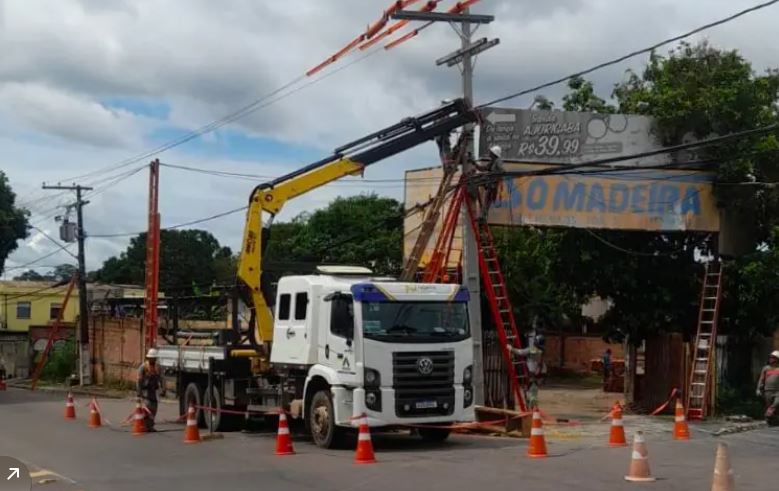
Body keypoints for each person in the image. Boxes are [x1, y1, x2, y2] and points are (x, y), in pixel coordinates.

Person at [507, 334, 547, 409]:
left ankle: (532, 410)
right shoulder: (542, 352)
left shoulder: (531, 350)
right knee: (533, 392)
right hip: (540, 375)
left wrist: (511, 348)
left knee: (531, 393)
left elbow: (520, 352)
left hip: (531, 374)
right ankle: (532, 408)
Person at [474, 145, 505, 222]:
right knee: (486, 201)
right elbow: (483, 168)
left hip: (493, 185)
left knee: (487, 201)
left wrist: (492, 174)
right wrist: (474, 164)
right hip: (489, 183)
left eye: (490, 152)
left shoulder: (498, 161)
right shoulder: (492, 162)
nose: (489, 153)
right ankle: (482, 216)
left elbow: (502, 171)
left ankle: (483, 217)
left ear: (494, 154)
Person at [137, 348, 165, 431]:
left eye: (154, 358)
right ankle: (145, 425)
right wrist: (139, 392)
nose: (153, 360)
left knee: (154, 408)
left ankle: (150, 425)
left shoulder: (158, 367)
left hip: (154, 391)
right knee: (147, 407)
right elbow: (139, 380)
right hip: (146, 391)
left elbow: (162, 378)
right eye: (152, 358)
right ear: (148, 358)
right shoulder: (143, 367)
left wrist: (163, 388)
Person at [757, 350, 779, 425]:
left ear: (777, 359)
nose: (771, 359)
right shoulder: (766, 368)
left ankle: (770, 412)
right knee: (769, 406)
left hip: (777, 391)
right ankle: (771, 420)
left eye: (773, 357)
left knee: (776, 403)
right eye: (770, 357)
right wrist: (758, 389)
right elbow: (761, 379)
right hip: (768, 391)